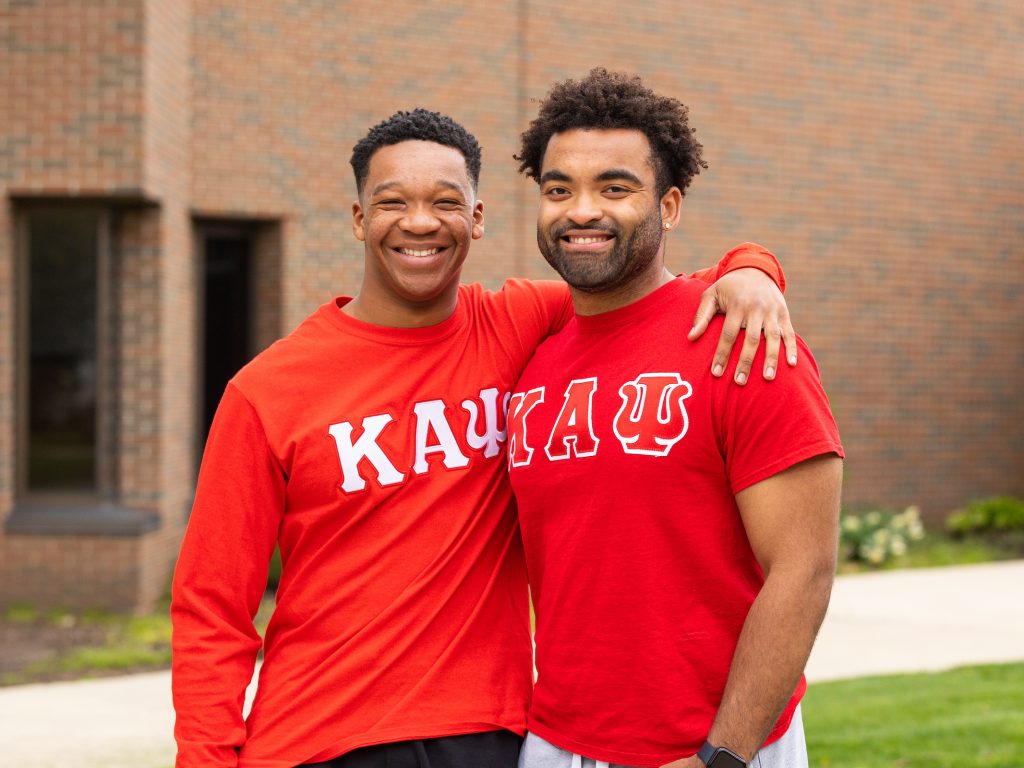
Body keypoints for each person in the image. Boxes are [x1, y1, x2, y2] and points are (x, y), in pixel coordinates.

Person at [171, 107, 794, 768]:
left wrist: (750, 268)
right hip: (317, 738)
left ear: (477, 219)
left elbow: (650, 287)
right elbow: (212, 608)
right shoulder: (267, 390)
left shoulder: (522, 322)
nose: (419, 222)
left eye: (445, 202)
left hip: (486, 736)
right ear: (359, 220)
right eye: (391, 202)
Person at [508, 69, 844, 768]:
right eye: (558, 188)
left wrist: (721, 755)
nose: (582, 210)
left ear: (669, 204)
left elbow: (804, 569)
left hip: (717, 746)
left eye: (614, 187)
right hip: (556, 740)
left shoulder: (742, 338)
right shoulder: (531, 357)